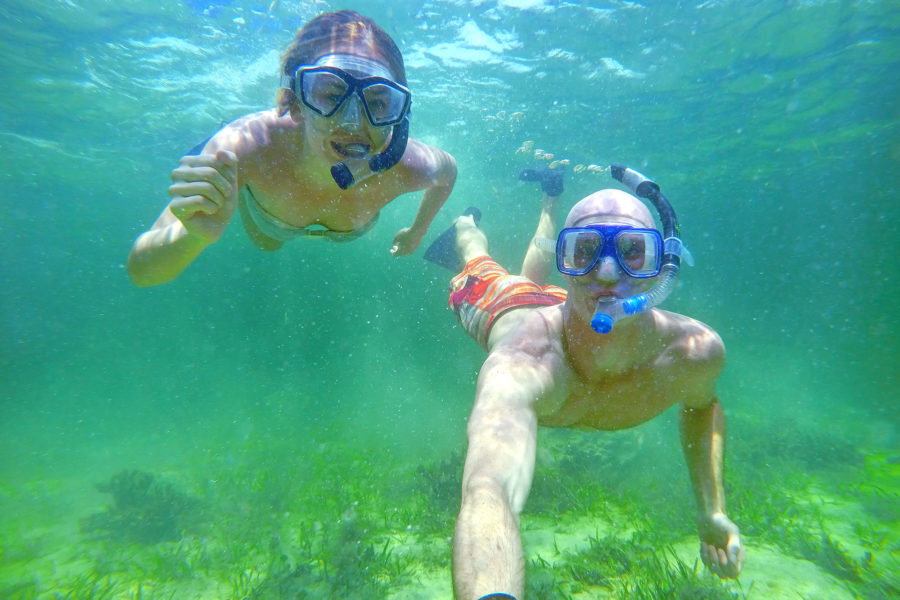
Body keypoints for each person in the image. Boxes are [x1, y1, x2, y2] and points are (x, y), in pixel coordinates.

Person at [427, 167, 744, 600]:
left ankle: (550, 197)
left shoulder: (692, 353)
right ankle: (466, 227)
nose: (608, 274)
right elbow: (489, 488)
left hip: (567, 306)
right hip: (506, 305)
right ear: (567, 262)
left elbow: (702, 405)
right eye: (585, 251)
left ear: (662, 264)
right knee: (480, 265)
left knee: (534, 279)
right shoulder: (522, 362)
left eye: (632, 250)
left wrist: (712, 509)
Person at [128, 10, 457, 286]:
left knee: (272, 240)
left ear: (399, 116)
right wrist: (193, 236)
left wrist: (417, 231)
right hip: (269, 225)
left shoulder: (408, 164)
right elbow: (141, 272)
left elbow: (449, 173)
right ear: (295, 101)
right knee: (267, 243)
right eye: (331, 94)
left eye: (378, 102)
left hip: (317, 222)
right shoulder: (244, 148)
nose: (354, 123)